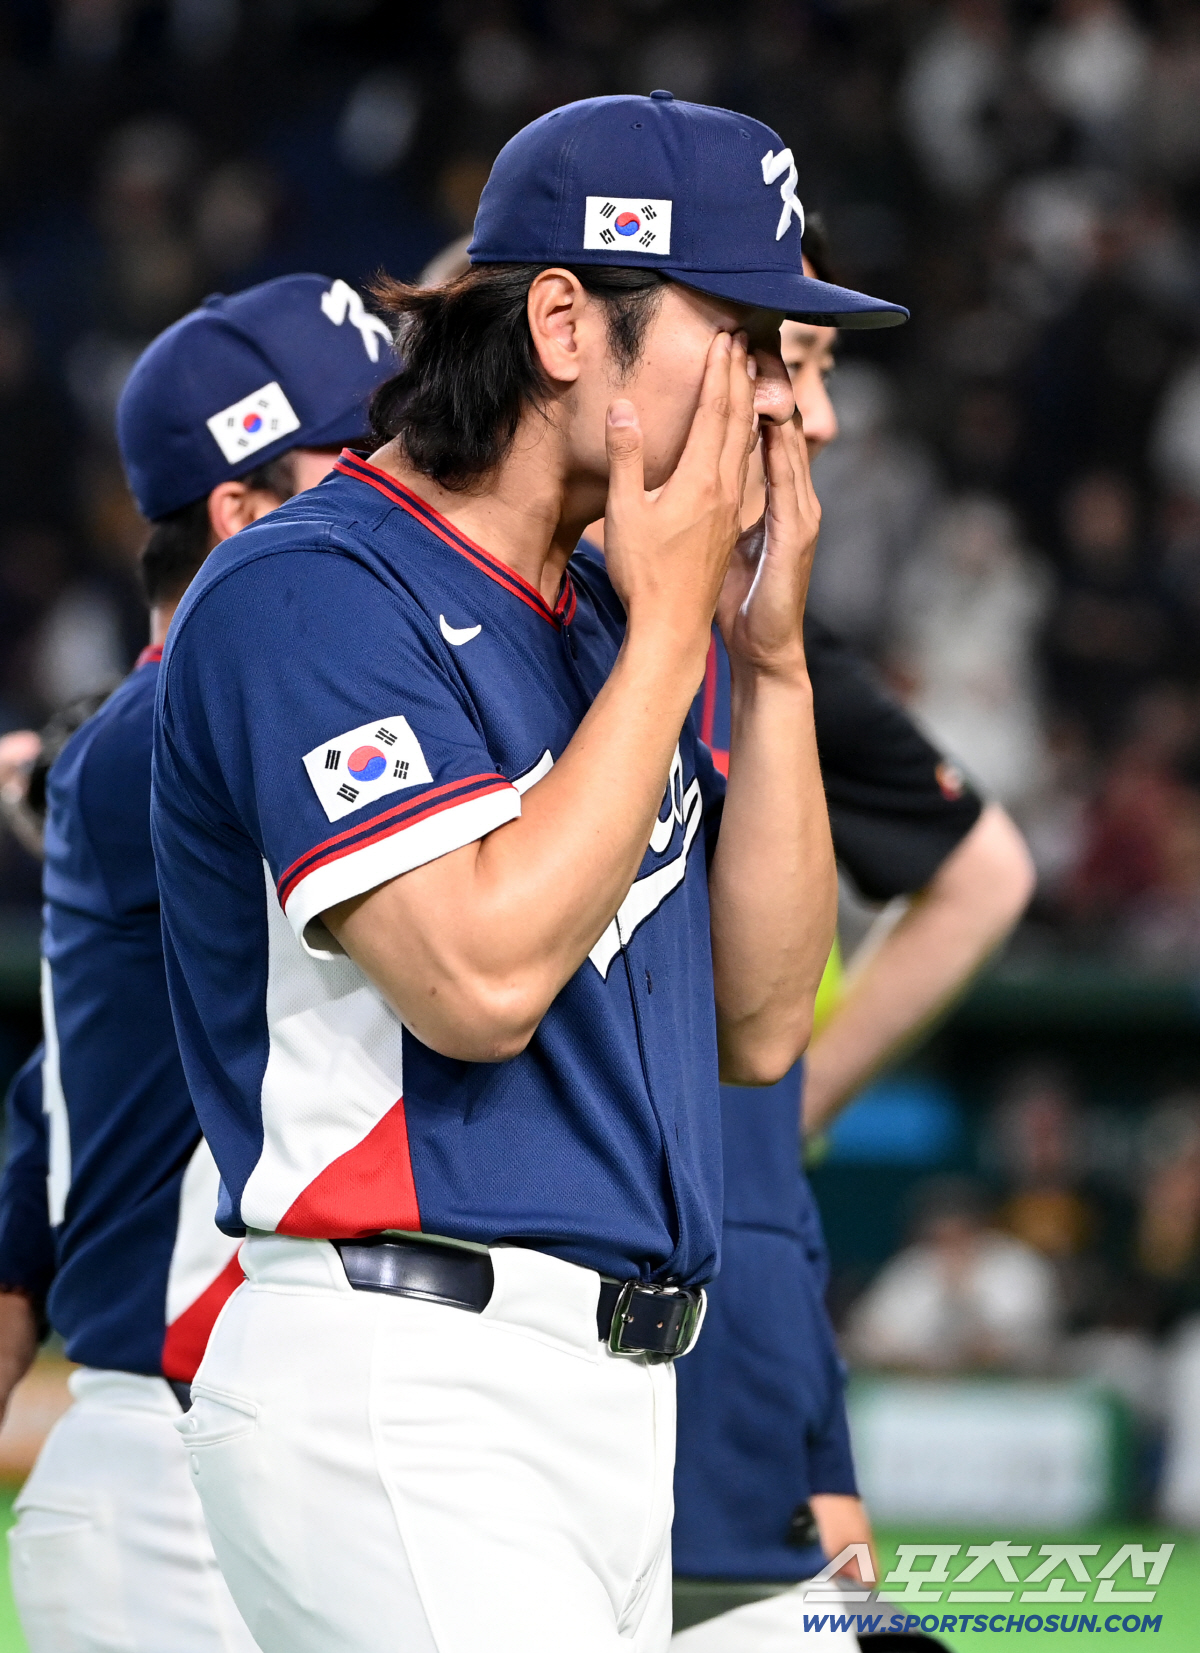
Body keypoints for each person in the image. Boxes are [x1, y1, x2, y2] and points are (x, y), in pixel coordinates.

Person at [150, 91, 906, 1653]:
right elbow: (477, 979)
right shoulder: (311, 586)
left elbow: (764, 1024)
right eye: (743, 337)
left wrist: (768, 665)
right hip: (400, 1368)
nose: (786, 402)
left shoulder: (623, 619)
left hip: (613, 1400)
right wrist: (679, 627)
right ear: (564, 324)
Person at [0, 272, 394, 1653]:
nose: (409, 483)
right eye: (359, 454)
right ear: (239, 508)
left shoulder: (153, 735)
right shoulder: (178, 725)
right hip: (180, 1480)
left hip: (237, 1450)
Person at [667, 254, 1035, 1651]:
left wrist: (782, 1109)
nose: (817, 415)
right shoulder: (618, 622)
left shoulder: (763, 641)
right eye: (797, 363)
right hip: (649, 1275)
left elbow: (990, 875)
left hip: (720, 1256)